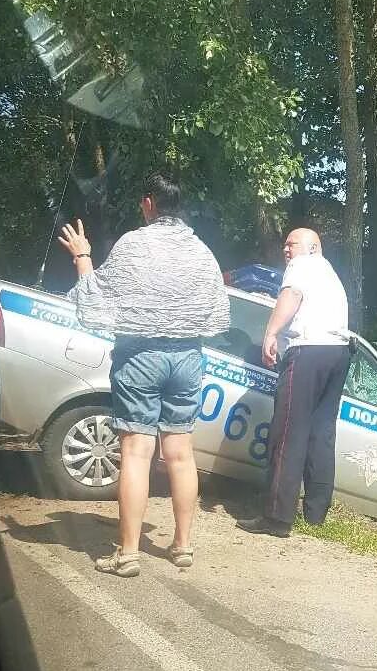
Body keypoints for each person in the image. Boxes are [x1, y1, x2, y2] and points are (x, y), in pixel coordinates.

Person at [58, 173, 229, 575]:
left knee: (136, 452)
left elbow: (97, 303)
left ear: (149, 204)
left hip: (140, 358)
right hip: (187, 357)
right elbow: (218, 312)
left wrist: (82, 257)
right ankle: (183, 547)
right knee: (181, 454)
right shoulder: (200, 250)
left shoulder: (135, 244)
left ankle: (128, 553)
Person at [237, 228, 352, 537]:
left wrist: (271, 332)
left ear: (313, 247)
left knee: (288, 432)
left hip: (308, 351)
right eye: (285, 245)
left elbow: (292, 294)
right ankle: (316, 514)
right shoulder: (330, 273)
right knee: (321, 433)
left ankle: (277, 516)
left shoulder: (305, 264)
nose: (286, 249)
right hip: (339, 353)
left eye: (292, 244)